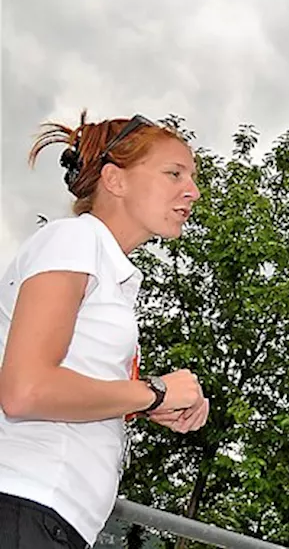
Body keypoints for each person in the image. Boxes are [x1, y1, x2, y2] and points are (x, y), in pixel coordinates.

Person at [0, 112, 209, 549]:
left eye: (191, 177)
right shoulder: (74, 240)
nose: (192, 191)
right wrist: (153, 392)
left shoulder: (104, 266)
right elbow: (25, 390)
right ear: (115, 180)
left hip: (47, 516)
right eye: (174, 173)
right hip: (26, 504)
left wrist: (146, 403)